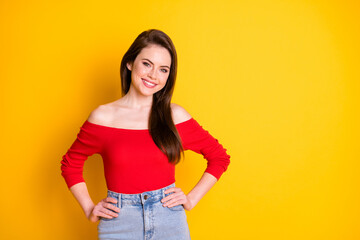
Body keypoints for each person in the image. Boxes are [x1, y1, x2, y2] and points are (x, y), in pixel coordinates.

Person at [60, 29, 231, 240]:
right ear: (130, 63)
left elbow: (219, 157)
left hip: (169, 221)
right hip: (119, 222)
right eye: (147, 64)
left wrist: (191, 199)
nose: (153, 75)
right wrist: (89, 208)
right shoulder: (103, 117)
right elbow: (71, 163)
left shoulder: (174, 116)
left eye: (163, 69)